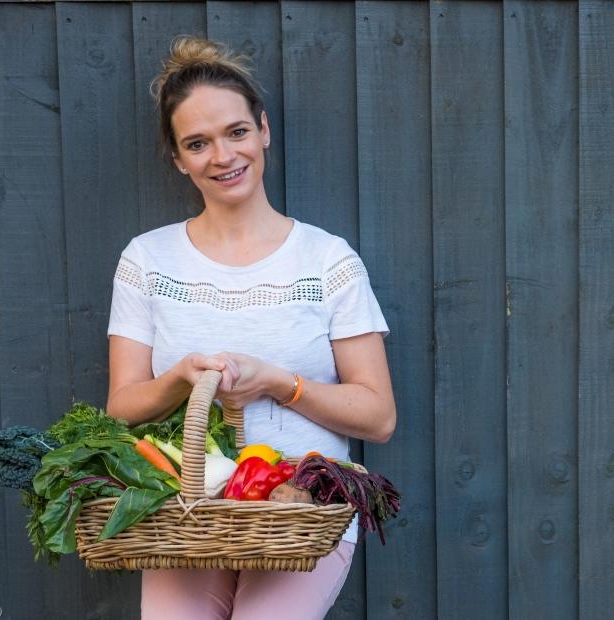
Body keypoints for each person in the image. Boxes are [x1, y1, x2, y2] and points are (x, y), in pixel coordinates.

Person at [105, 35, 396, 620]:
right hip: (184, 513)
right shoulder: (147, 260)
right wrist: (180, 381)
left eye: (236, 132)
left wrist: (277, 382)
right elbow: (120, 408)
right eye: (197, 143)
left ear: (263, 130)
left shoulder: (327, 260)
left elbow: (379, 416)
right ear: (178, 158)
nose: (222, 156)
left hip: (301, 513)